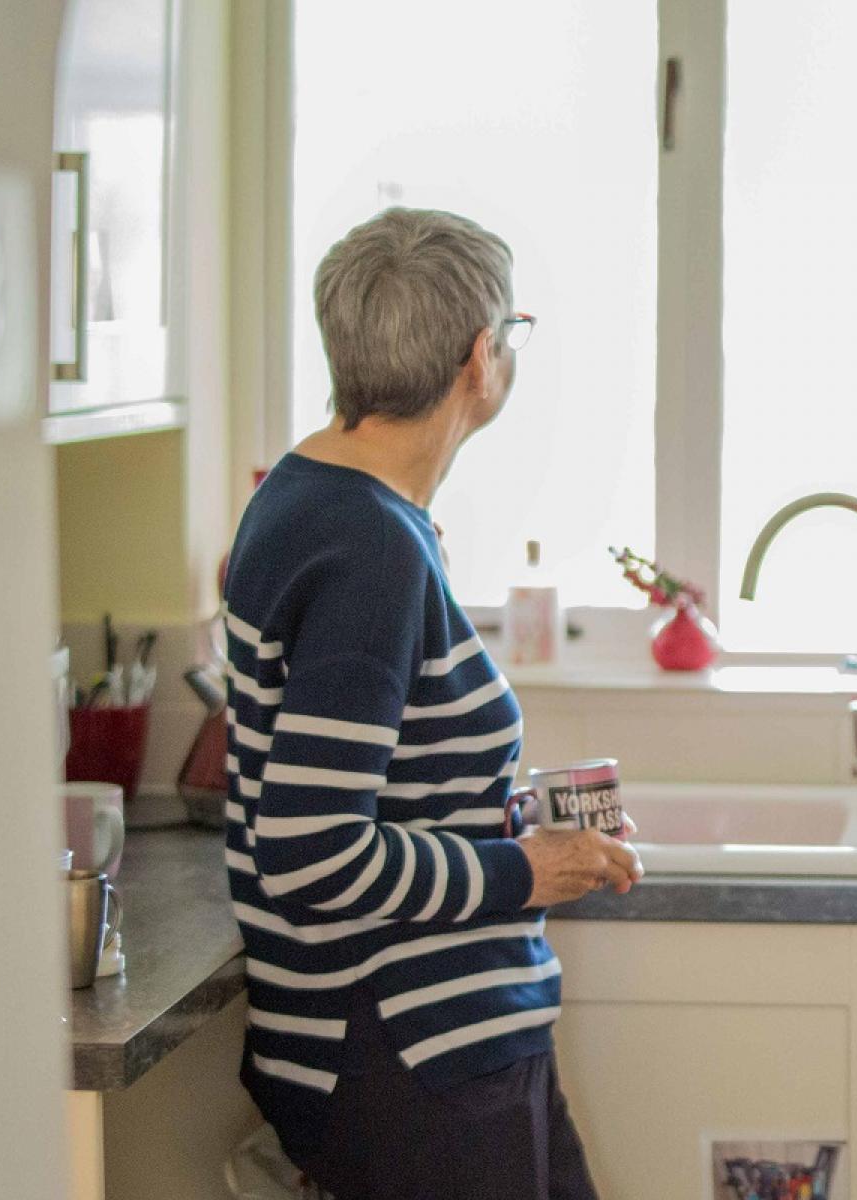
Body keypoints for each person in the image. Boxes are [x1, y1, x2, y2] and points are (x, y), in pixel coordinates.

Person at [221, 207, 639, 1199]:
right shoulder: (371, 551)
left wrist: (514, 828)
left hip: (431, 1042)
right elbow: (313, 851)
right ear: (479, 360)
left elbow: (368, 772)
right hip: (409, 1056)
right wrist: (521, 870)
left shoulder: (306, 493)